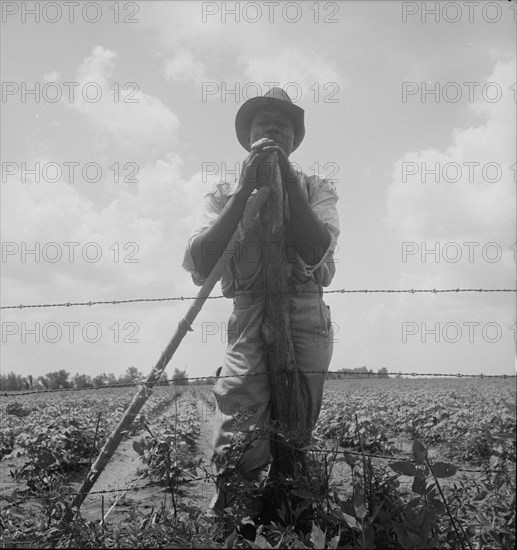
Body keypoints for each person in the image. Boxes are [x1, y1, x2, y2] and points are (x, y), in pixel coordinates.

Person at [182, 87, 340, 513]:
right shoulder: (220, 193)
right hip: (249, 311)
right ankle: (237, 518)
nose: (274, 127)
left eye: (283, 124)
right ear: (246, 135)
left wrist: (285, 178)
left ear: (293, 139)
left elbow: (315, 250)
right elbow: (200, 258)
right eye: (263, 121)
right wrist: (246, 190)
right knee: (240, 431)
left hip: (306, 312)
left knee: (295, 432)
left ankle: (290, 514)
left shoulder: (316, 187)